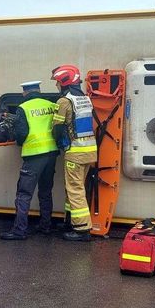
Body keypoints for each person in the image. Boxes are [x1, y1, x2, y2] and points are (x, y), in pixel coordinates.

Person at [1, 81, 59, 240]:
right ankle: (45, 226)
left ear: (24, 93)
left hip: (34, 155)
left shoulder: (24, 108)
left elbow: (21, 134)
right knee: (45, 192)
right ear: (39, 90)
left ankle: (19, 230)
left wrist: (19, 142)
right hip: (51, 153)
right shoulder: (51, 105)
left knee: (24, 193)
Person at [50, 65, 97, 241]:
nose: (56, 86)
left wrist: (58, 142)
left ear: (64, 82)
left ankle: (82, 229)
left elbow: (57, 128)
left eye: (57, 83)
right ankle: (71, 220)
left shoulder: (64, 102)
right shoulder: (85, 98)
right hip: (90, 151)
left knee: (75, 189)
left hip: (75, 152)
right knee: (75, 187)